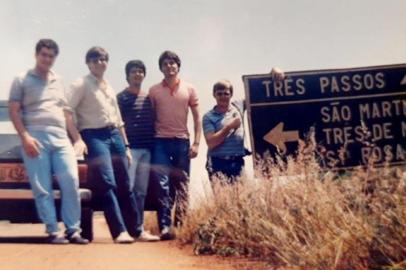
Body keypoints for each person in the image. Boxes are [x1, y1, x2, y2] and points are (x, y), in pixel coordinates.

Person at [8, 39, 88, 244]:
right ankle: (53, 231)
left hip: (61, 137)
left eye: (51, 56)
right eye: (44, 54)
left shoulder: (58, 81)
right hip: (35, 137)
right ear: (36, 55)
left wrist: (76, 138)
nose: (47, 59)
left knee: (71, 180)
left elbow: (66, 113)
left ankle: (73, 230)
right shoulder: (22, 79)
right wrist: (25, 137)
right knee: (42, 186)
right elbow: (14, 111)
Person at [65, 46, 138, 244]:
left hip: (115, 135)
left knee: (125, 183)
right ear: (88, 63)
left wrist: (127, 146)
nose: (100, 63)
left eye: (103, 59)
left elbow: (118, 118)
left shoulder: (108, 85)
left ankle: (137, 230)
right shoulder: (80, 84)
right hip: (94, 135)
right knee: (107, 183)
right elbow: (66, 112)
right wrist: (77, 139)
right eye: (95, 60)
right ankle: (119, 231)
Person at [149, 50, 202, 240]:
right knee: (161, 185)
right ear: (161, 68)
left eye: (172, 63)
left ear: (178, 66)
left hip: (181, 142)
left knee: (182, 184)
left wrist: (196, 143)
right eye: (165, 64)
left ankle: (180, 226)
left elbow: (197, 118)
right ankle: (165, 227)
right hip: (160, 142)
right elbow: (151, 117)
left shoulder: (190, 89)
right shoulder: (154, 91)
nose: (169, 66)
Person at [203, 69, 285, 185]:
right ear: (214, 95)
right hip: (217, 162)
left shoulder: (238, 105)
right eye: (219, 93)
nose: (223, 96)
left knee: (242, 199)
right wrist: (229, 127)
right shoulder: (208, 116)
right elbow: (211, 142)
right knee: (222, 201)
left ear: (231, 94)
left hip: (237, 161)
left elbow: (258, 94)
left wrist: (274, 72)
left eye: (226, 93)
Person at [116, 60, 160, 242]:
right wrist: (125, 146)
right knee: (128, 189)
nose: (138, 74)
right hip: (130, 149)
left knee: (141, 191)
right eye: (134, 71)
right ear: (127, 75)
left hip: (147, 149)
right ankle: (125, 228)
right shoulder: (121, 98)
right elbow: (118, 125)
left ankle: (139, 229)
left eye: (141, 71)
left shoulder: (148, 97)